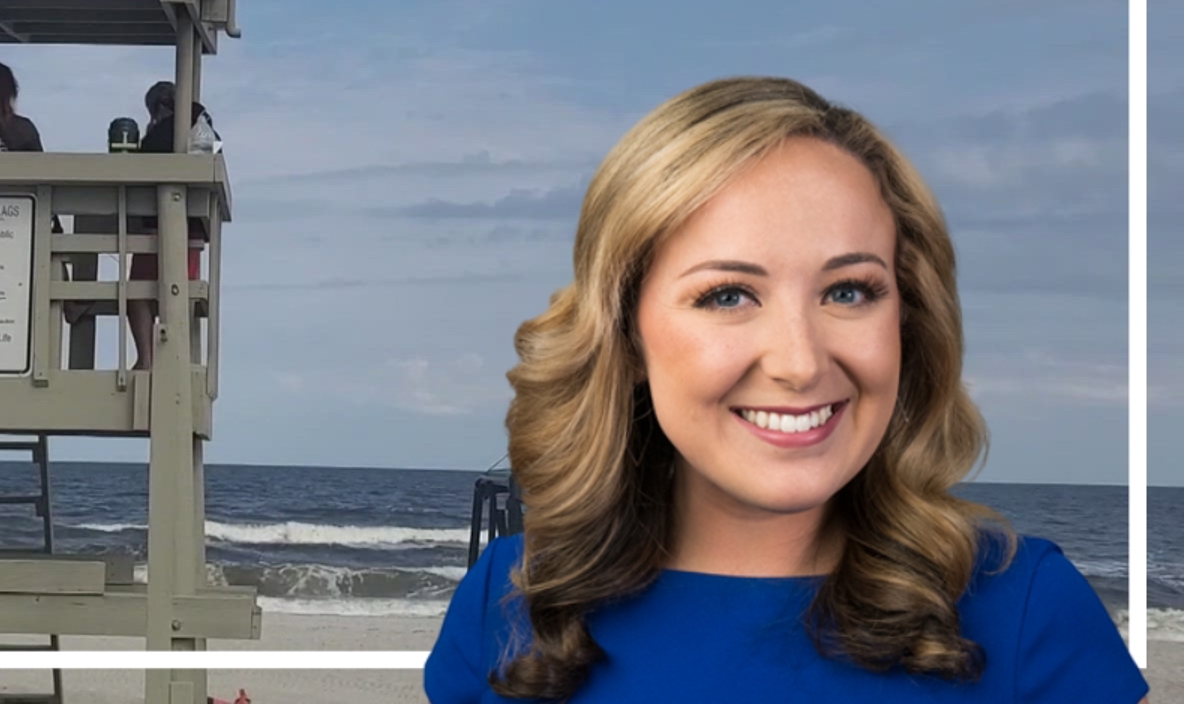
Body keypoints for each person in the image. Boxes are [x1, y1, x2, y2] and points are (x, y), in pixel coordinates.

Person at [423, 76, 1148, 703]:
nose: (800, 362)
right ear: (627, 335)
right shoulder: (508, 602)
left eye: (849, 291)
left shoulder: (1027, 612)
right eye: (728, 296)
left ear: (909, 319)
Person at [124, 81, 216, 370]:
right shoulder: (205, 127)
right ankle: (175, 360)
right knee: (177, 296)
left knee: (137, 292)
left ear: (160, 107)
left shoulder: (166, 131)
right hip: (194, 233)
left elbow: (146, 159)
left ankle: (147, 359)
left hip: (163, 228)